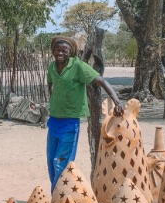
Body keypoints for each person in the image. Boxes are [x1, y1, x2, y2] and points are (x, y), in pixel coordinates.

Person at [47, 36, 124, 192]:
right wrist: (54, 99)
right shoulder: (52, 67)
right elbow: (50, 83)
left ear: (71, 52)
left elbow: (101, 80)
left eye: (64, 50)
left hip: (70, 123)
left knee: (61, 163)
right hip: (53, 121)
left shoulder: (78, 66)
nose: (60, 53)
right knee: (51, 162)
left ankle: (58, 199)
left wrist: (117, 101)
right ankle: (59, 195)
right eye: (57, 49)